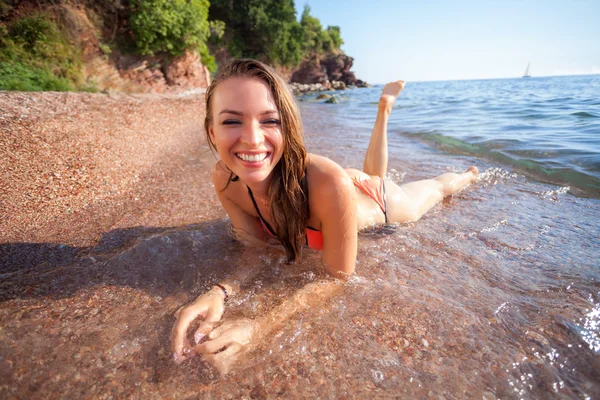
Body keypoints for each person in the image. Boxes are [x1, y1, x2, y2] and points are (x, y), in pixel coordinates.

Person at [171, 59, 478, 374]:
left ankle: (467, 174)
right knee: (372, 172)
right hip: (334, 188)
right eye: (232, 121)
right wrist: (221, 290)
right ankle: (383, 110)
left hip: (378, 202)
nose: (251, 138)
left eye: (270, 120)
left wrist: (258, 327)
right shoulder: (226, 180)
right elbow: (254, 247)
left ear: (288, 126)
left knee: (432, 190)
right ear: (212, 130)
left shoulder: (328, 182)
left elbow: (338, 277)